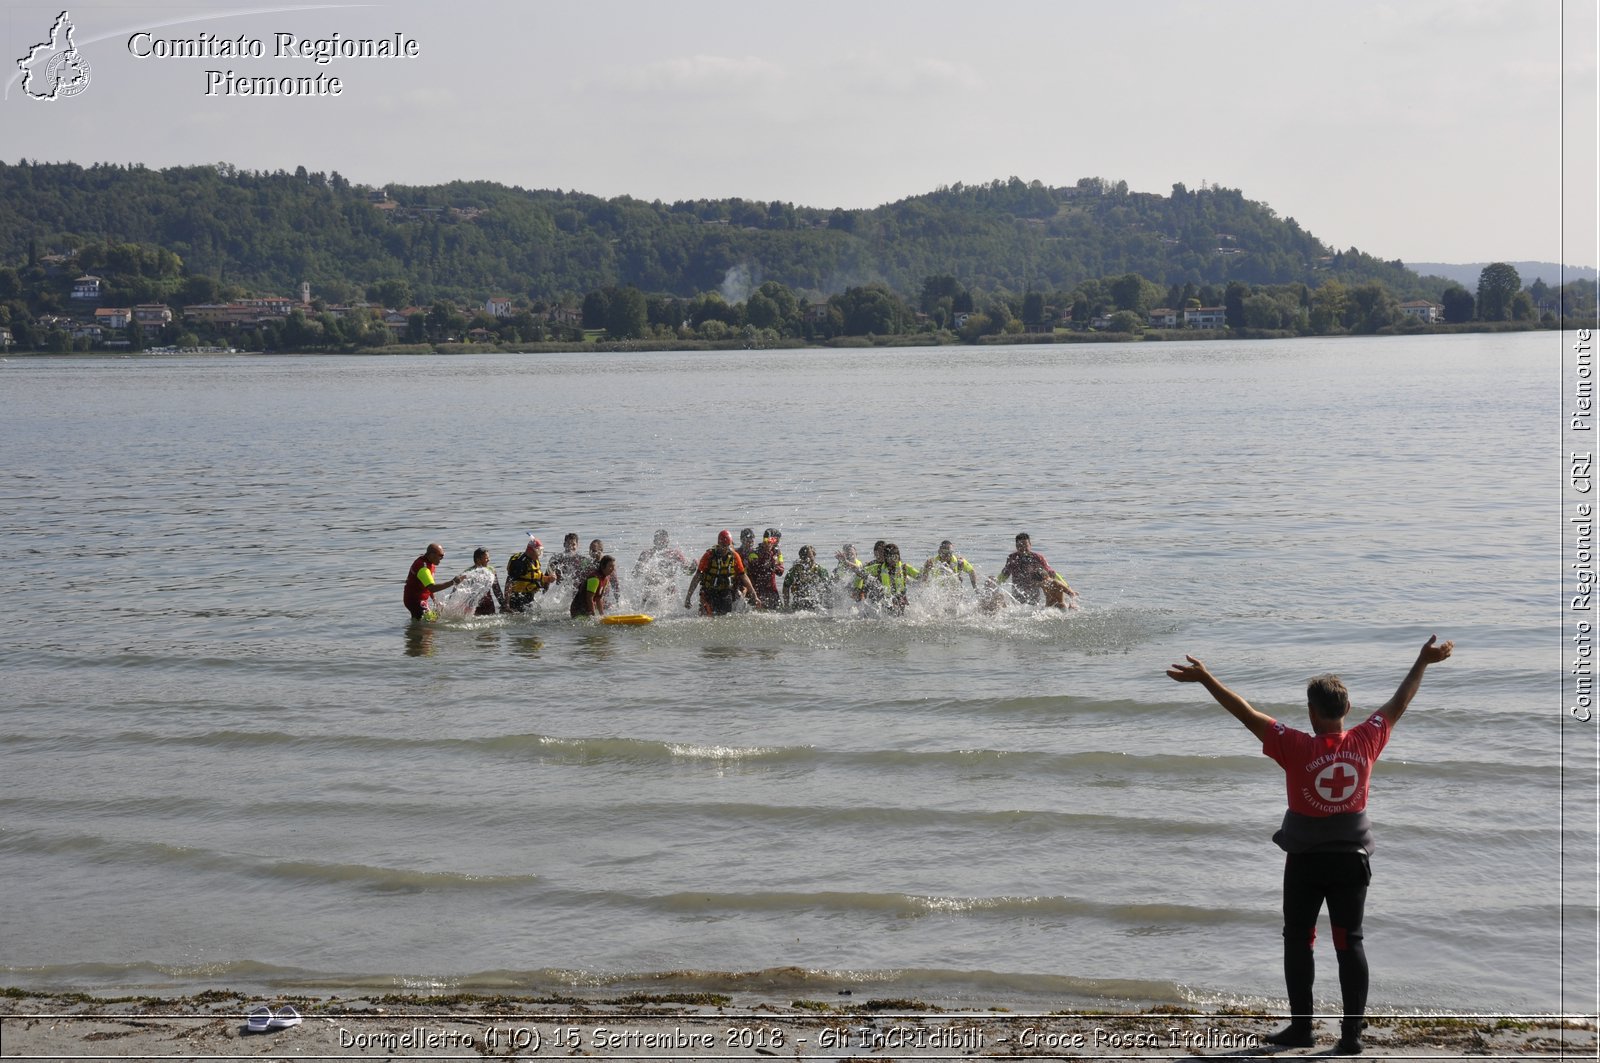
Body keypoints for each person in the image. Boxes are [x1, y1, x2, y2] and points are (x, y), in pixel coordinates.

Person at [1165, 635, 1457, 1055]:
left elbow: (1245, 714)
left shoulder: (1296, 746)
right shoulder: (1366, 740)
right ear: (1347, 711)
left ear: (1311, 713)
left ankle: (1302, 1029)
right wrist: (1423, 661)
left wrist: (1206, 678)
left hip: (1305, 862)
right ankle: (1351, 1037)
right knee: (1349, 942)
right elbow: (1400, 701)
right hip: (1352, 861)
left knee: (1298, 939)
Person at [685, 530, 760, 616]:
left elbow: (743, 576)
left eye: (728, 546)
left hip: (725, 591)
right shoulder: (708, 555)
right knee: (706, 616)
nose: (726, 549)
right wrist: (688, 597)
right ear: (719, 544)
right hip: (709, 591)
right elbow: (697, 577)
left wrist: (754, 595)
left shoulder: (734, 556)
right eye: (723, 546)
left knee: (725, 616)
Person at [996, 532, 1078, 609]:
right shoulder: (1012, 558)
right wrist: (995, 584)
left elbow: (1052, 573)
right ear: (1016, 546)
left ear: (1030, 545)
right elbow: (1004, 574)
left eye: (1025, 545)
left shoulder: (1037, 558)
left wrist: (1068, 588)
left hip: (1034, 592)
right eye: (1019, 545)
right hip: (1018, 591)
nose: (1023, 548)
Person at [403, 543, 463, 621]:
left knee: (420, 622)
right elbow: (432, 588)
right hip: (415, 601)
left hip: (418, 599)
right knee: (431, 621)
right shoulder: (423, 568)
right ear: (432, 555)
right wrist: (452, 582)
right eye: (440, 556)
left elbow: (428, 585)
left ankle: (415, 631)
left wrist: (435, 600)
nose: (442, 559)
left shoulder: (430, 564)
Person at [634, 529, 690, 609]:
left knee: (666, 611)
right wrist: (643, 570)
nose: (661, 541)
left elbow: (687, 571)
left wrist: (693, 567)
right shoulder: (646, 553)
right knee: (646, 609)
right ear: (654, 541)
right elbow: (635, 574)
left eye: (663, 539)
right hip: (649, 590)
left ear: (667, 541)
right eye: (659, 539)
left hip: (668, 590)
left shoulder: (675, 554)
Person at [860, 542, 919, 615]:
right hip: (884, 600)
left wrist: (927, 569)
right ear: (885, 558)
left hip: (900, 600)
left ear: (898, 557)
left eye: (895, 557)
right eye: (889, 557)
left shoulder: (904, 568)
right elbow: (861, 572)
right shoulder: (878, 568)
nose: (892, 560)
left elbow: (921, 577)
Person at [505, 535, 560, 613]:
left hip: (529, 598)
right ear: (530, 550)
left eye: (541, 551)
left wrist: (549, 579)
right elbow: (509, 582)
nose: (540, 553)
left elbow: (535, 577)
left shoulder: (534, 560)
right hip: (517, 600)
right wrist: (507, 605)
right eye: (538, 551)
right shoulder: (520, 563)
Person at [782, 545, 833, 611]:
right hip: (798, 602)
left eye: (810, 557)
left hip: (815, 603)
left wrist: (828, 604)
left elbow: (828, 587)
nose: (807, 560)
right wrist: (786, 605)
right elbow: (786, 587)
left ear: (814, 555)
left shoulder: (820, 570)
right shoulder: (794, 570)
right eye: (804, 557)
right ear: (801, 558)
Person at [745, 531, 786, 610]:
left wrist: (773, 566)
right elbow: (753, 569)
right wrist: (763, 560)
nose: (769, 544)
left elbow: (780, 572)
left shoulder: (777, 553)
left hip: (771, 589)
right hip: (757, 589)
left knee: (779, 610)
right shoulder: (754, 553)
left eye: (772, 541)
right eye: (766, 541)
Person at [465, 547, 506, 616]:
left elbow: (497, 590)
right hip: (475, 605)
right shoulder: (468, 573)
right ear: (478, 560)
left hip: (489, 604)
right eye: (486, 558)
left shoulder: (491, 570)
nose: (488, 560)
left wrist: (503, 605)